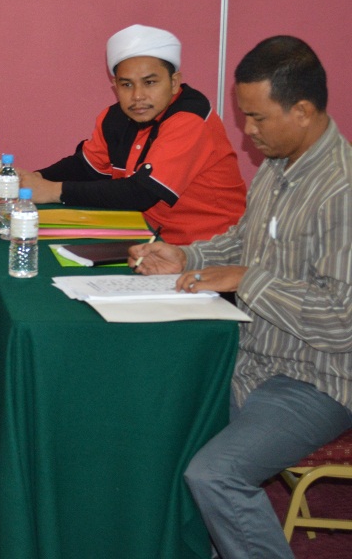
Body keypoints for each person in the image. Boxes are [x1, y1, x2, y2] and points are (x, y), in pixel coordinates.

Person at [129, 35, 352, 558]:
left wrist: (246, 280)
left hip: (318, 381)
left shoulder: (341, 192)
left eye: (256, 118)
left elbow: (341, 321)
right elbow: (242, 242)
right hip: (253, 358)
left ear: (302, 111)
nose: (247, 131)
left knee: (216, 475)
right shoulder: (279, 165)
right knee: (155, 421)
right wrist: (186, 257)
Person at [18, 24, 247, 245]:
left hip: (209, 248)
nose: (138, 96)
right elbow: (86, 167)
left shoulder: (190, 119)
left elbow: (142, 193)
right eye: (127, 85)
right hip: (146, 238)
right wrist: (34, 180)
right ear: (115, 86)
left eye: (150, 83)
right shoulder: (114, 117)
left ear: (174, 83)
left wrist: (53, 191)